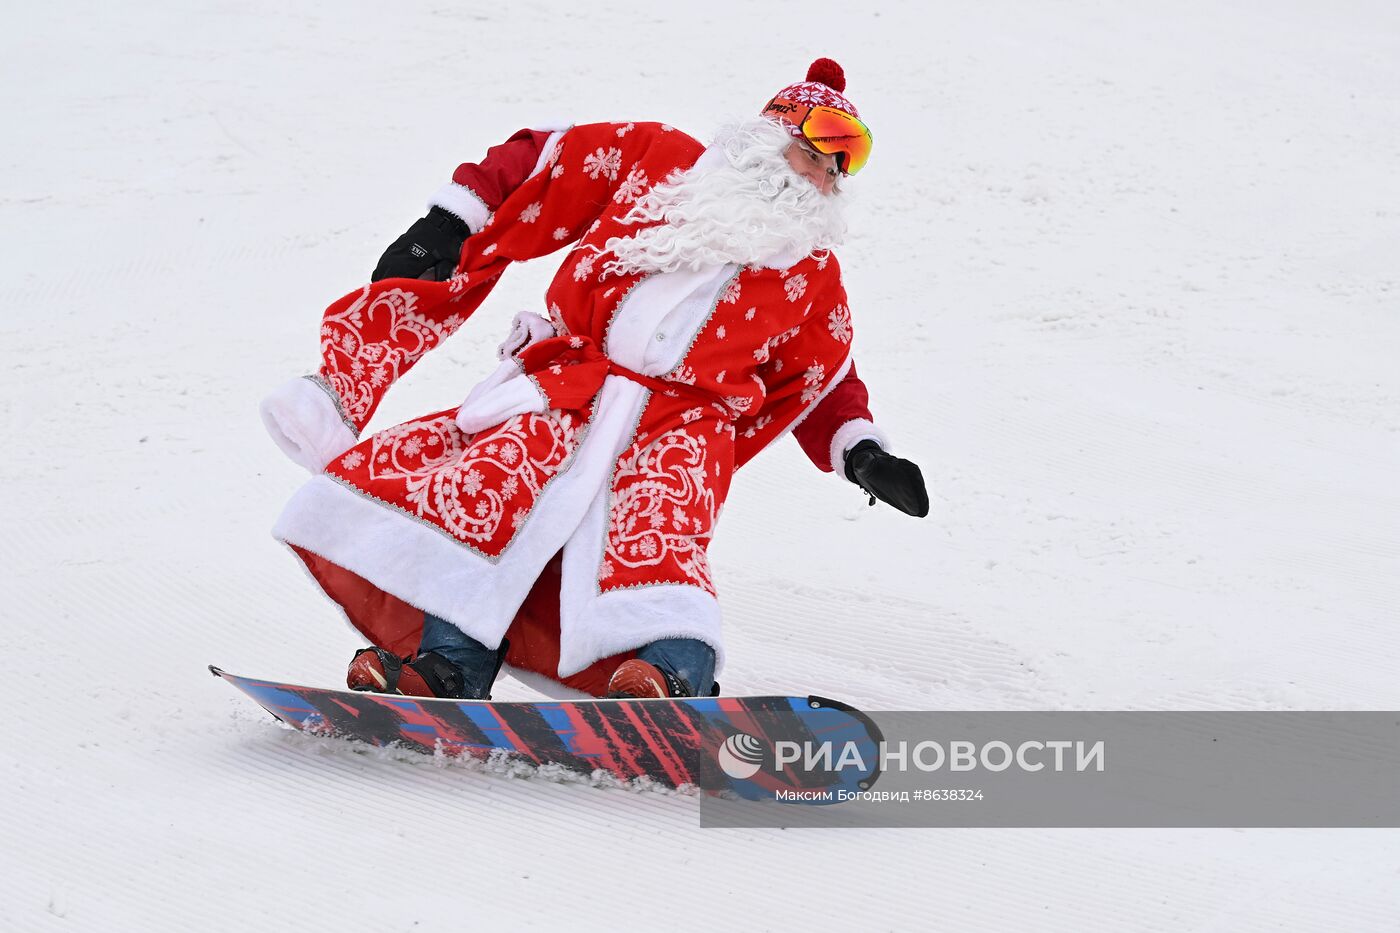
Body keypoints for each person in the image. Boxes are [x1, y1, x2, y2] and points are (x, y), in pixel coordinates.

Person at [259, 58, 928, 701]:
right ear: (767, 137)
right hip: (569, 389)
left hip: (680, 427)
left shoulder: (810, 274)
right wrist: (449, 221)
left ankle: (668, 676)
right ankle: (445, 666)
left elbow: (822, 373)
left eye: (838, 168)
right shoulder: (656, 161)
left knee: (659, 534)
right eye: (814, 154)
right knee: (489, 499)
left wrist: (861, 452)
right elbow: (545, 163)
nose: (822, 178)